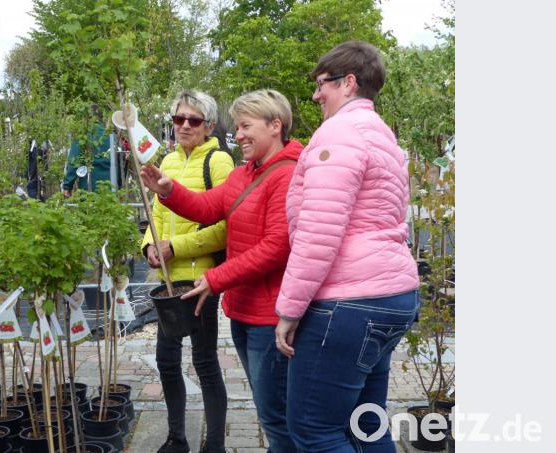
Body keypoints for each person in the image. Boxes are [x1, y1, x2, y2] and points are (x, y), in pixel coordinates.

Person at [274, 41, 420, 453]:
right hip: (392, 296)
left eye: (322, 83)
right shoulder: (383, 136)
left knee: (314, 431)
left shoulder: (340, 133)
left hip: (349, 303)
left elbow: (319, 232)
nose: (316, 94)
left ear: (349, 82)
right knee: (366, 425)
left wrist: (290, 310)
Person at [140, 89, 303, 453]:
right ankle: (178, 438)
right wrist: (168, 190)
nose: (238, 135)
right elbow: (205, 207)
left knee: (276, 416)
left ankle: (215, 445)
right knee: (268, 410)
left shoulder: (285, 174)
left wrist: (214, 276)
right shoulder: (245, 174)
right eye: (237, 127)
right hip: (241, 306)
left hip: (265, 310)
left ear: (275, 126)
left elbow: (276, 246)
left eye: (245, 126)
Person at [141, 90, 234, 453]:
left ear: (209, 125)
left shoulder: (219, 161)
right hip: (167, 280)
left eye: (193, 120)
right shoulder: (168, 160)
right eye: (178, 119)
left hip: (199, 279)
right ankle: (177, 438)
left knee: (205, 361)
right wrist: (150, 245)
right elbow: (155, 214)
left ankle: (215, 445)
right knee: (166, 361)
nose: (183, 126)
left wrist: (175, 247)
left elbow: (225, 227)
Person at [62, 105, 118, 197]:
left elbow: (73, 162)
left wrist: (67, 186)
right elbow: (121, 162)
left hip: (88, 189)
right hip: (111, 189)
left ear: (86, 118)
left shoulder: (82, 137)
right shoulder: (112, 137)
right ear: (101, 118)